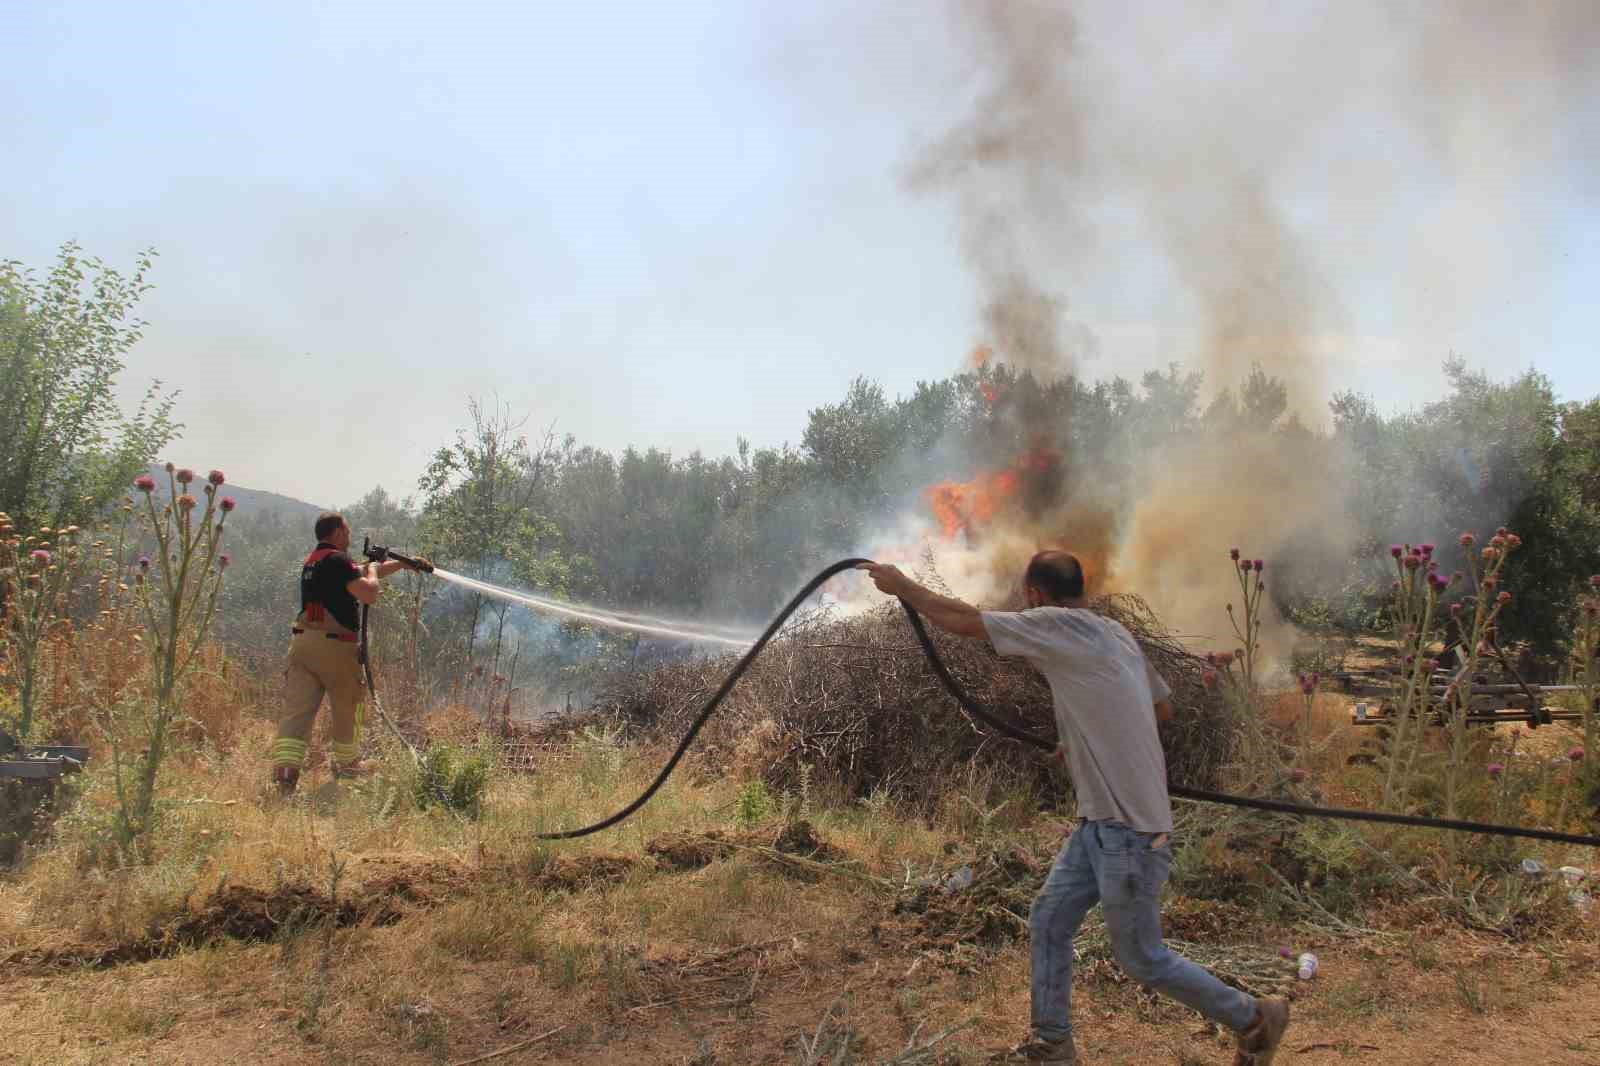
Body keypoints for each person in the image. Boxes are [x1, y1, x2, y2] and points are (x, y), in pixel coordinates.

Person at [861, 551, 1289, 1065]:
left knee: (1141, 958)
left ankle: (1253, 1018)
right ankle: (1053, 1045)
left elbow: (964, 621)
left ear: (1037, 595)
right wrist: (1091, 739)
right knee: (1050, 919)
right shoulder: (1116, 635)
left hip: (1129, 831)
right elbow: (1162, 708)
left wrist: (901, 584)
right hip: (1099, 825)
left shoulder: (1056, 625)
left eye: (1029, 599)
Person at [269, 512, 426, 796]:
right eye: (348, 531)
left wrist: (402, 564)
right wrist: (375, 572)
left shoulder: (314, 561)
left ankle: (285, 778)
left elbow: (357, 571)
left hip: (303, 646)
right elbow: (368, 592)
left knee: (297, 713)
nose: (350, 536)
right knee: (347, 707)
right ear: (339, 531)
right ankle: (347, 768)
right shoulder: (338, 560)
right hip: (335, 648)